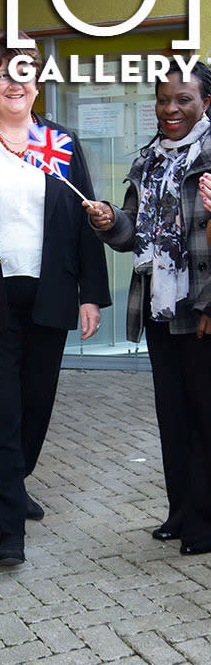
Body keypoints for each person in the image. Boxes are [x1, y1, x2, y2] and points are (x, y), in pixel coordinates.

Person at [0, 30, 111, 568]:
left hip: (50, 292)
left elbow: (85, 221)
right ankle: (9, 523)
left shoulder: (58, 143)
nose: (15, 83)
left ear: (37, 82)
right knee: (0, 411)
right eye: (2, 73)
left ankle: (13, 480)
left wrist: (92, 295)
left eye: (25, 72)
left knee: (35, 407)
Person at [86, 60, 211, 557]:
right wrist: (108, 220)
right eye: (163, 99)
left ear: (206, 102)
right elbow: (135, 235)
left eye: (183, 98)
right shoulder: (149, 160)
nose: (171, 108)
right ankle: (180, 513)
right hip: (161, 307)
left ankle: (203, 522)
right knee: (173, 417)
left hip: (202, 308)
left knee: (206, 417)